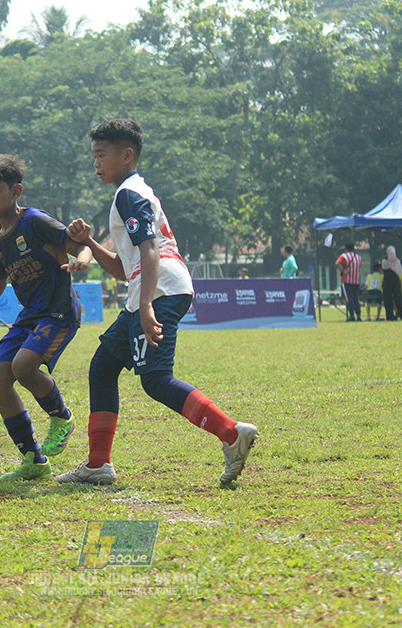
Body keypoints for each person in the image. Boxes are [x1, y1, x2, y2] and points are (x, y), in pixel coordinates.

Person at [56, 118, 258, 486]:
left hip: (159, 288)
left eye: (102, 155)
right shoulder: (132, 193)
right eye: (94, 156)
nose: (96, 163)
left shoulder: (129, 194)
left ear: (127, 155)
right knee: (103, 366)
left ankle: (231, 433)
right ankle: (98, 464)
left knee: (156, 379)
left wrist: (146, 305)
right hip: (153, 287)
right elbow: (125, 266)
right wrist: (90, 244)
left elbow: (150, 250)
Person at [0, 154, 92, 481]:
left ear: (15, 191)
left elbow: (80, 245)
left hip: (59, 313)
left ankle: (61, 417)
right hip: (30, 316)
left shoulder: (34, 222)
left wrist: (83, 261)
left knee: (22, 366)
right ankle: (33, 459)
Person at [381, 246, 402, 321]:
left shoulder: (384, 261)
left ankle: (390, 315)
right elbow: (399, 272)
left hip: (386, 281)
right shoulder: (397, 261)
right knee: (398, 298)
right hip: (395, 280)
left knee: (388, 299)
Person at [336, 243, 362, 322]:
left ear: (346, 249)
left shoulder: (344, 256)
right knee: (356, 298)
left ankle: (351, 316)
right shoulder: (358, 257)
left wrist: (343, 270)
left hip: (347, 281)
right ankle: (358, 315)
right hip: (356, 281)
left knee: (349, 298)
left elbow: (337, 264)